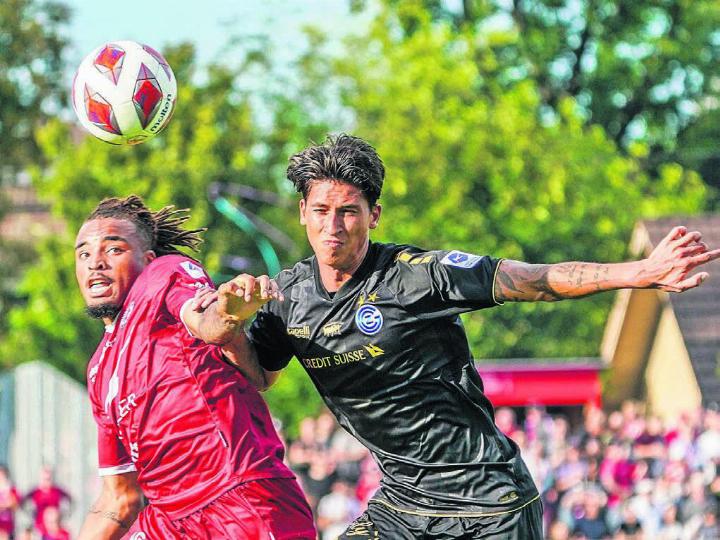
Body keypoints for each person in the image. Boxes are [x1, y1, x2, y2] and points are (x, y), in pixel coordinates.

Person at [193, 134, 720, 538]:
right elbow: (259, 376)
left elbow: (534, 281)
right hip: (403, 504)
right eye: (322, 211)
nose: (334, 226)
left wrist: (639, 272)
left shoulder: (417, 275)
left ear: (373, 215)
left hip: (491, 503)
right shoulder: (287, 296)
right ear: (303, 213)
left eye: (349, 211)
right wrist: (233, 326)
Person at [73, 196, 315, 539]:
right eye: (83, 254)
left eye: (113, 250)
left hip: (238, 502)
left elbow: (203, 319)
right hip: (169, 520)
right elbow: (118, 498)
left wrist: (228, 314)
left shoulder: (163, 274)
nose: (95, 262)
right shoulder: (99, 370)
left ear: (148, 259)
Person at [22, 467, 70, 536]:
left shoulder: (57, 491)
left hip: (54, 527)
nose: (47, 481)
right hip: (39, 526)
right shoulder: (35, 492)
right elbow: (22, 502)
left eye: (49, 479)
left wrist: (63, 515)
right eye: (44, 479)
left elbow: (70, 500)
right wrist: (31, 514)